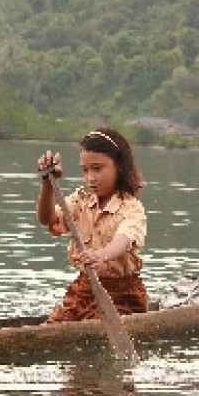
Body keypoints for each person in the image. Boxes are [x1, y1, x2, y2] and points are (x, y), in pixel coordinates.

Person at [36, 127, 147, 322]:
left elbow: (124, 240)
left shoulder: (132, 208)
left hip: (122, 296)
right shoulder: (81, 201)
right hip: (84, 290)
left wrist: (100, 255)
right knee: (54, 324)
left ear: (119, 166)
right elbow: (47, 218)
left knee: (96, 327)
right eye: (85, 170)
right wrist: (47, 183)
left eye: (97, 169)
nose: (90, 178)